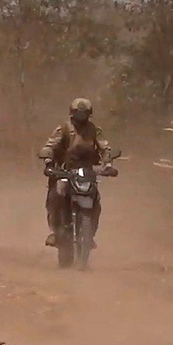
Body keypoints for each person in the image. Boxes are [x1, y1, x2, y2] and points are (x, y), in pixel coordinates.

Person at [39, 98, 115, 248]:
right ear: (72, 113)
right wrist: (48, 161)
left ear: (89, 114)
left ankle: (89, 234)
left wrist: (108, 164)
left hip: (87, 172)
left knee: (95, 201)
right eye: (78, 113)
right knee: (57, 196)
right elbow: (50, 146)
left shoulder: (94, 130)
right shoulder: (64, 129)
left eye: (84, 113)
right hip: (65, 172)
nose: (81, 116)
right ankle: (55, 232)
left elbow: (105, 148)